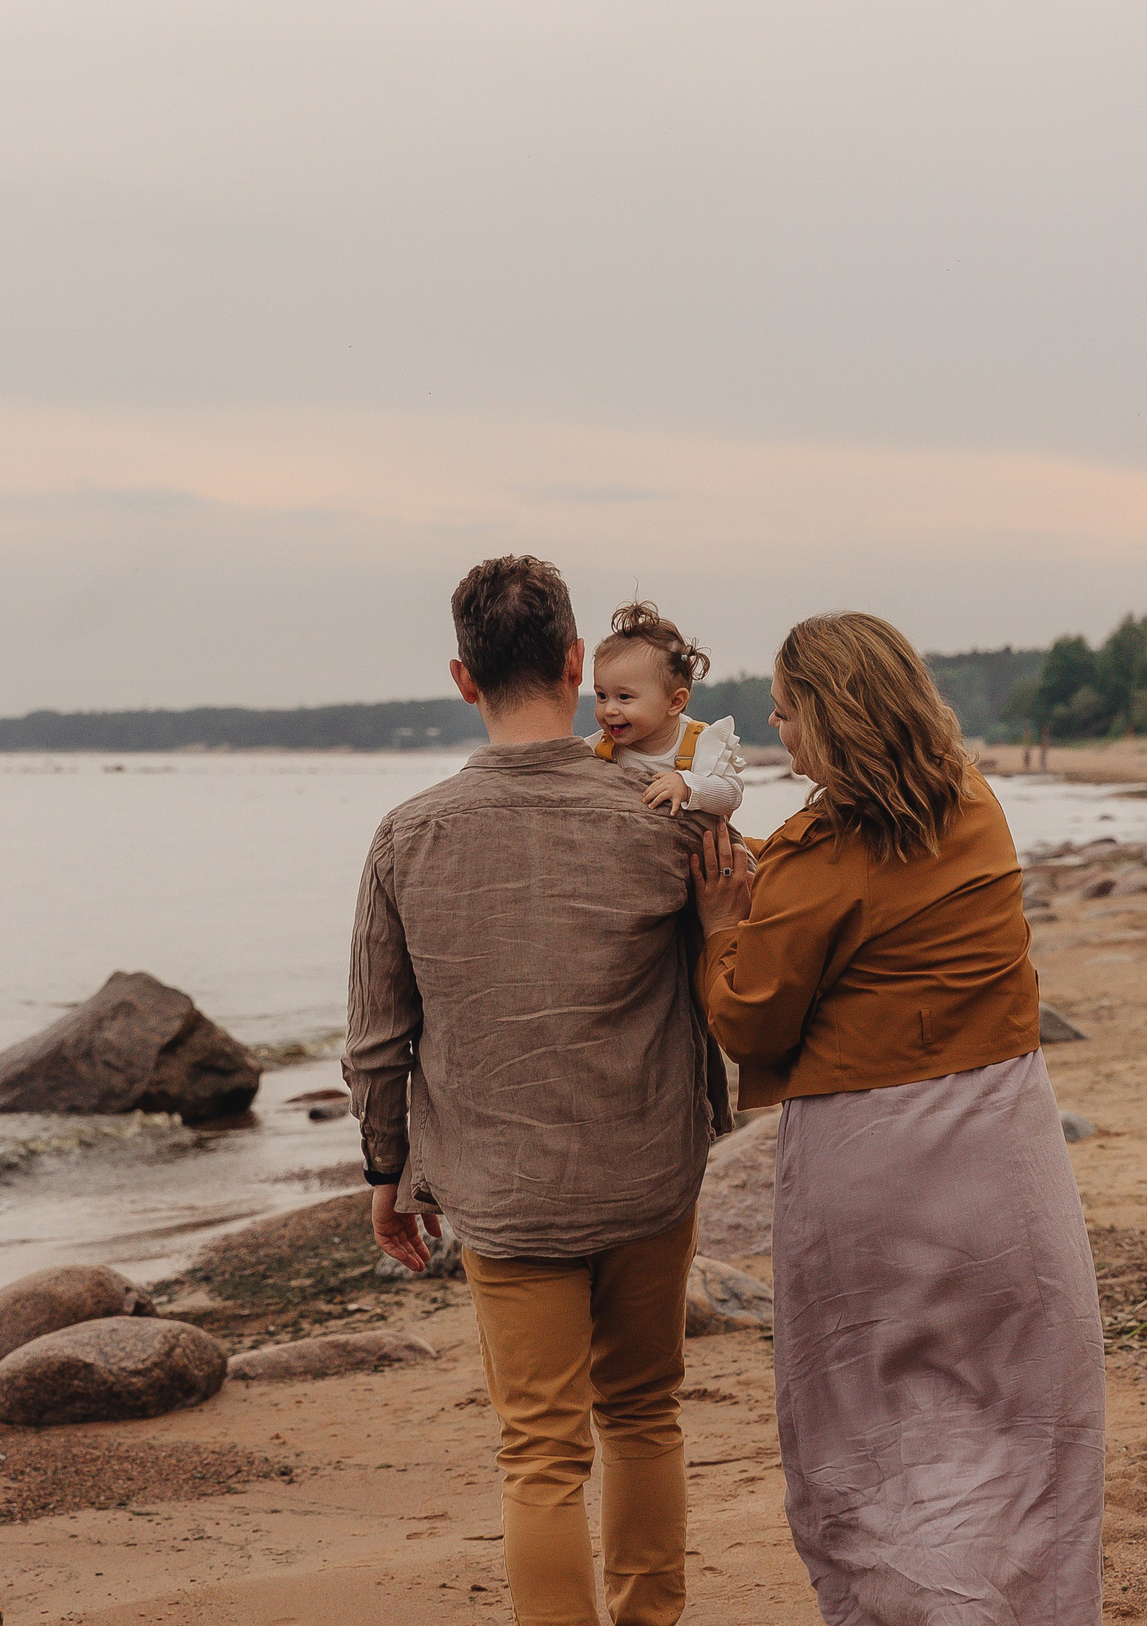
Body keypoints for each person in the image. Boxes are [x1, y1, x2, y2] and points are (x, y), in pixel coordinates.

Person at [691, 611, 1106, 1625]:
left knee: (869, 1421)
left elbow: (749, 1018)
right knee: (1017, 1411)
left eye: (786, 714)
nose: (777, 732)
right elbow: (864, 894)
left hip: (871, 1160)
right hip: (1002, 1148)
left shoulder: (821, 860)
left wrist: (719, 927)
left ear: (830, 719)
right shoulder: (973, 804)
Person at [345, 555, 731, 1626]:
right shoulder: (667, 813)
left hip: (505, 1190)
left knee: (540, 1452)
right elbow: (730, 975)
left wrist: (387, 1173)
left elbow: (377, 1038)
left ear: (462, 678)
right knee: (643, 1413)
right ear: (573, 665)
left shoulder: (408, 834)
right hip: (647, 1170)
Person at [584, 600, 746, 819]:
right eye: (602, 696)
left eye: (624, 697)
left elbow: (731, 793)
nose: (609, 710)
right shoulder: (597, 750)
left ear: (674, 702)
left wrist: (686, 786)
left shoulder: (700, 743)